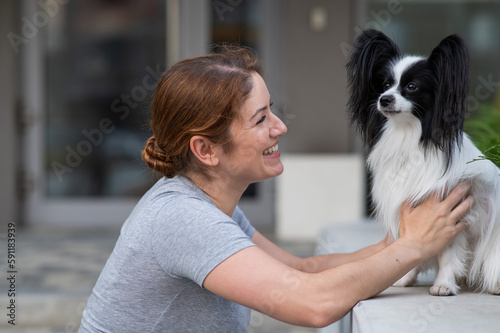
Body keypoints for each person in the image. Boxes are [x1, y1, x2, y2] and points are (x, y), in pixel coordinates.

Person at [79, 46, 473, 332]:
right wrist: (413, 247)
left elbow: (304, 270)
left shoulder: (212, 205)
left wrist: (401, 239)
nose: (280, 127)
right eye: (261, 118)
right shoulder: (182, 218)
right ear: (205, 150)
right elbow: (313, 302)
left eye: (273, 110)